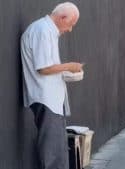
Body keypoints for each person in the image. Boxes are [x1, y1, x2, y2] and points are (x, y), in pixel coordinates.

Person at [21, 2, 81, 169]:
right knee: (53, 151)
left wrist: (65, 72)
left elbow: (47, 66)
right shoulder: (42, 31)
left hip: (51, 99)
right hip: (46, 98)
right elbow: (44, 68)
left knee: (58, 149)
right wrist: (69, 66)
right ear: (62, 18)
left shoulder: (46, 30)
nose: (70, 30)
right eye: (70, 24)